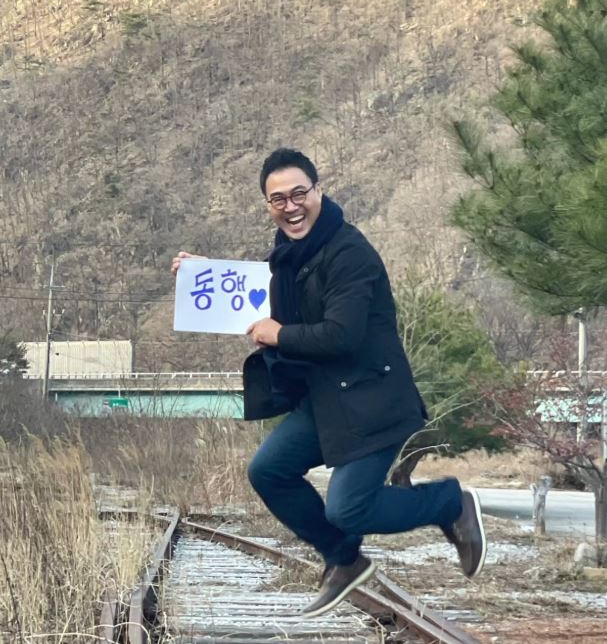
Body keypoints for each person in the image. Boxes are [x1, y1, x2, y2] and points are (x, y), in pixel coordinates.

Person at [171, 148, 486, 618]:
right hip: (328, 400)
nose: (291, 206)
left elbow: (342, 334)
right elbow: (262, 296)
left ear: (318, 190)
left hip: (374, 400)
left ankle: (450, 503)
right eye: (278, 199)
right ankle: (344, 558)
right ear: (267, 205)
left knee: (348, 510)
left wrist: (279, 335)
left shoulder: (348, 252)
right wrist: (208, 274)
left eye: (299, 193)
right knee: (269, 470)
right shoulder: (289, 255)